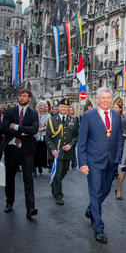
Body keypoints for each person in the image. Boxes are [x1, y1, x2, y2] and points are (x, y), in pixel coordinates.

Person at [77, 87, 123, 244]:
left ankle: (91, 209)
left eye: (108, 98)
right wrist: (82, 163)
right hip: (93, 162)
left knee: (106, 190)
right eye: (102, 98)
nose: (105, 101)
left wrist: (117, 158)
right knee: (95, 192)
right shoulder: (88, 116)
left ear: (111, 99)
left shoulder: (117, 116)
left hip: (111, 161)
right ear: (97, 99)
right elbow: (81, 142)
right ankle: (98, 228)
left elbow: (119, 140)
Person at [0, 88, 39, 219]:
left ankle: (30, 208)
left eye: (25, 96)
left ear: (29, 98)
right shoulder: (9, 112)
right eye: (20, 96)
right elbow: (4, 128)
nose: (22, 98)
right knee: (10, 178)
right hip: (11, 149)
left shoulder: (33, 113)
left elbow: (34, 129)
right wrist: (23, 132)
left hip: (27, 150)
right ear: (18, 97)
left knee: (28, 179)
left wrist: (16, 127)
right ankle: (9, 202)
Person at [45, 98, 78, 205]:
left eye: (66, 107)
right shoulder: (51, 120)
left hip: (68, 152)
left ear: (68, 108)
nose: (64, 108)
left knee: (64, 171)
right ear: (58, 108)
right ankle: (59, 195)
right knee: (58, 173)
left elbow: (76, 136)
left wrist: (70, 144)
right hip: (56, 152)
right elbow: (48, 137)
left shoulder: (73, 120)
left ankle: (54, 184)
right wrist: (53, 149)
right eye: (62, 106)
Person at [33, 101, 50, 176]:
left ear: (45, 107)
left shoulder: (48, 115)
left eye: (42, 105)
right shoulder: (34, 114)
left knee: (41, 153)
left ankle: (40, 166)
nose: (41, 107)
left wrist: (42, 128)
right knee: (33, 153)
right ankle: (34, 169)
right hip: (34, 136)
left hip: (43, 136)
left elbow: (49, 126)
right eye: (39, 105)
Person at [68, 105, 79, 169]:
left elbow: (77, 127)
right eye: (69, 110)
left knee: (72, 150)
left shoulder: (75, 118)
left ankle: (74, 164)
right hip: (67, 136)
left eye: (71, 110)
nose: (70, 111)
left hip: (73, 136)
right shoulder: (65, 117)